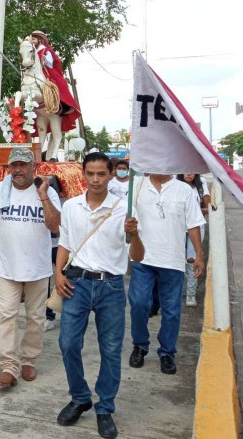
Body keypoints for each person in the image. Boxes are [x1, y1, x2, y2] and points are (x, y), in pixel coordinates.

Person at [54, 152, 145, 439]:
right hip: (76, 283)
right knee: (68, 343)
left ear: (110, 175)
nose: (95, 179)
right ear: (83, 174)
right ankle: (80, 397)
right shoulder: (71, 207)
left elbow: (138, 256)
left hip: (111, 287)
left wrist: (136, 233)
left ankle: (105, 407)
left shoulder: (123, 209)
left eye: (101, 174)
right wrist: (58, 274)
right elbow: (65, 244)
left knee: (110, 349)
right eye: (90, 173)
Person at [0, 146, 61, 387]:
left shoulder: (46, 191)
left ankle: (28, 360)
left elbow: (55, 226)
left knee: (36, 317)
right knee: (7, 316)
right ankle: (9, 365)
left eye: (23, 165)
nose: (18, 170)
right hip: (8, 267)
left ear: (32, 167)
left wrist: (44, 196)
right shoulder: (1, 190)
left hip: (38, 268)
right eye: (14, 165)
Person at [128, 173, 205, 375]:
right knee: (139, 303)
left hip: (172, 259)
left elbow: (193, 224)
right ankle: (140, 345)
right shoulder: (137, 185)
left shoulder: (184, 190)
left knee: (171, 310)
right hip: (142, 257)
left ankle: (167, 352)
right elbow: (123, 214)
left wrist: (199, 254)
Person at [29, 31, 81, 133]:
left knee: (59, 84)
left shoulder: (46, 50)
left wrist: (44, 61)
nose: (33, 41)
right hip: (34, 74)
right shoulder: (31, 51)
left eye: (34, 39)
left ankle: (63, 105)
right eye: (32, 39)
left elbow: (51, 64)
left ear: (40, 40)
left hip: (47, 71)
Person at [176, 173, 210, 307]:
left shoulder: (201, 185)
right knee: (178, 260)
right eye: (185, 170)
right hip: (177, 227)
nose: (188, 173)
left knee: (192, 260)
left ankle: (191, 294)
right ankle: (180, 291)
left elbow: (209, 207)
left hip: (196, 227)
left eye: (192, 170)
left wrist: (193, 209)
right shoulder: (175, 185)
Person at [44, 174, 65, 332]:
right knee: (45, 282)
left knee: (62, 279)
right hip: (44, 246)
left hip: (59, 246)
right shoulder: (40, 194)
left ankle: (55, 312)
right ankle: (47, 314)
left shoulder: (68, 202)